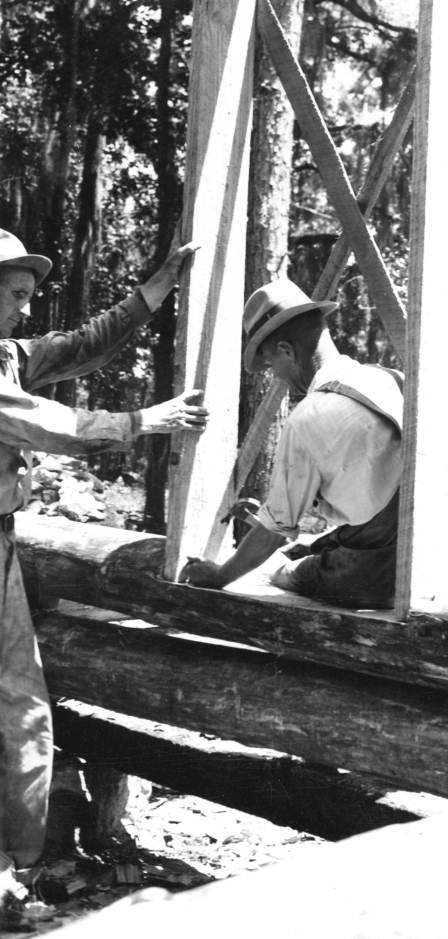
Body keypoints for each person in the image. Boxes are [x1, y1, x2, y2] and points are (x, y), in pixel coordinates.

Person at [0, 227, 207, 873]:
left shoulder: (9, 353)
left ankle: (15, 861)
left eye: (30, 294)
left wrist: (163, 281)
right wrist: (145, 420)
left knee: (21, 705)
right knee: (18, 704)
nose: (26, 308)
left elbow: (87, 343)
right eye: (15, 293)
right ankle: (13, 865)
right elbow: (50, 424)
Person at [180, 277, 403, 609]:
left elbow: (274, 533)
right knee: (305, 548)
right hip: (423, 561)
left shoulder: (307, 418)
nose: (277, 377)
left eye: (272, 365)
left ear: (286, 350)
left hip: (376, 578)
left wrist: (219, 576)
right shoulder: (388, 378)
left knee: (278, 571)